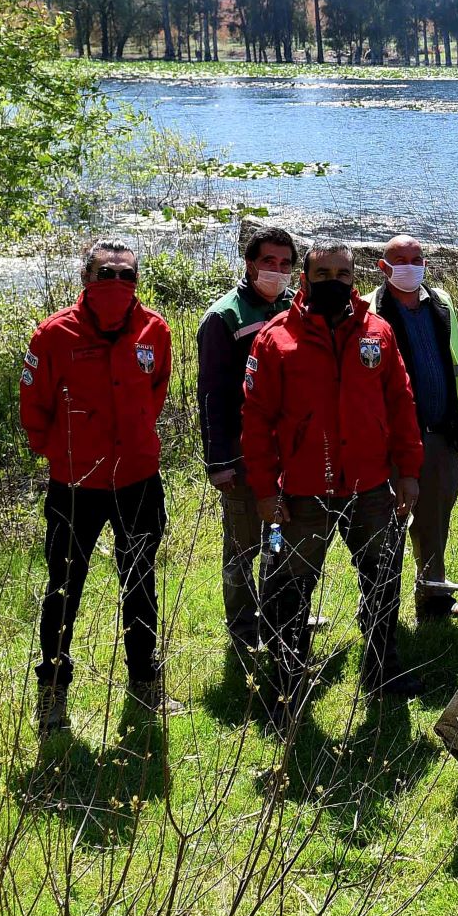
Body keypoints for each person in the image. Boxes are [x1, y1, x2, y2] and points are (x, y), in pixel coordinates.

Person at [242, 240, 426, 713]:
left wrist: (408, 472)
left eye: (342, 274)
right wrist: (265, 491)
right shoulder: (275, 338)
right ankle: (286, 685)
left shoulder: (379, 333)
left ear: (354, 279)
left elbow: (401, 404)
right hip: (302, 494)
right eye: (322, 275)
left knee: (383, 580)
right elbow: (257, 422)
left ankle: (382, 669)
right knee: (289, 589)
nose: (333, 282)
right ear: (305, 281)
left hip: (370, 488)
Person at [19, 239, 175, 737]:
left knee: (141, 581)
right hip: (75, 485)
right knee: (64, 587)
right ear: (86, 277)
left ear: (137, 282)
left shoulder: (156, 330)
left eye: (125, 275)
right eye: (105, 273)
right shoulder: (52, 335)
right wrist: (66, 455)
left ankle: (144, 679)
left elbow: (156, 393)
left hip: (137, 480)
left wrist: (133, 441)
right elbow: (33, 409)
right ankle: (53, 691)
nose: (115, 283)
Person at [367, 234, 458, 617]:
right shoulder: (369, 311)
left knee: (435, 519)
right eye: (400, 259)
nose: (410, 265)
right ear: (383, 267)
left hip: (441, 435)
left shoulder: (441, 303)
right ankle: (379, 603)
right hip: (393, 441)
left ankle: (433, 595)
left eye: (416, 257)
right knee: (387, 523)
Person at [197, 226, 299, 661]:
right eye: (268, 262)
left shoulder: (294, 307)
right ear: (249, 263)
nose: (276, 271)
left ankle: (277, 613)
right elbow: (212, 396)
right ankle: (243, 630)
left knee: (280, 538)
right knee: (242, 547)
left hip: (288, 459)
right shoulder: (224, 317)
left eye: (285, 263)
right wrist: (218, 462)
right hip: (240, 460)